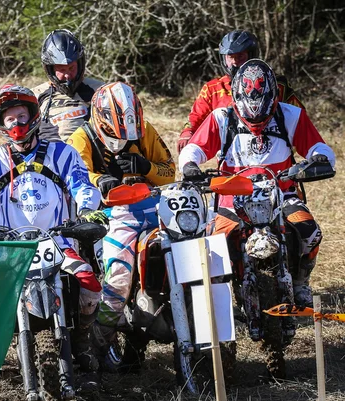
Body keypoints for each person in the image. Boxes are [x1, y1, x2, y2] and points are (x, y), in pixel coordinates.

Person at [0, 84, 106, 400]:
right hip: (9, 247)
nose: (17, 124)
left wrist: (90, 210)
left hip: (58, 241)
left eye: (21, 116)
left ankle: (81, 340)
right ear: (1, 124)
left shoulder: (61, 153)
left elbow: (82, 184)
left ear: (35, 116)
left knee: (89, 281)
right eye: (10, 119)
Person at [179, 59, 336, 307]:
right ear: (237, 100)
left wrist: (318, 158)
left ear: (273, 98)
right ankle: (219, 302)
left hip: (283, 194)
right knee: (211, 248)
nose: (256, 124)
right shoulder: (221, 117)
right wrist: (190, 166)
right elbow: (193, 149)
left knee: (311, 233)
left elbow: (319, 146)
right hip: (232, 198)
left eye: (262, 117)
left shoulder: (290, 114)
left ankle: (300, 282)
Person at [67, 82, 175, 369]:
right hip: (111, 214)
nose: (124, 138)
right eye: (116, 132)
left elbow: (169, 170)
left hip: (153, 208)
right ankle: (97, 351)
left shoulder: (146, 131)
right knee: (118, 281)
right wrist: (98, 179)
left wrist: (145, 167)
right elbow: (73, 174)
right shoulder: (82, 137)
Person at [177, 30, 305, 153]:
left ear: (252, 56)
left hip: (274, 153)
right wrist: (187, 132)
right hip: (232, 159)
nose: (234, 62)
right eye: (230, 57)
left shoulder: (277, 84)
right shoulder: (213, 89)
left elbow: (300, 118)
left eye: (240, 57)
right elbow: (195, 117)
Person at [32, 29, 104, 142]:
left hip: (90, 155)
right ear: (50, 69)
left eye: (71, 68)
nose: (67, 75)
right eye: (61, 69)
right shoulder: (35, 95)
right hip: (49, 156)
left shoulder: (100, 90)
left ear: (80, 64)